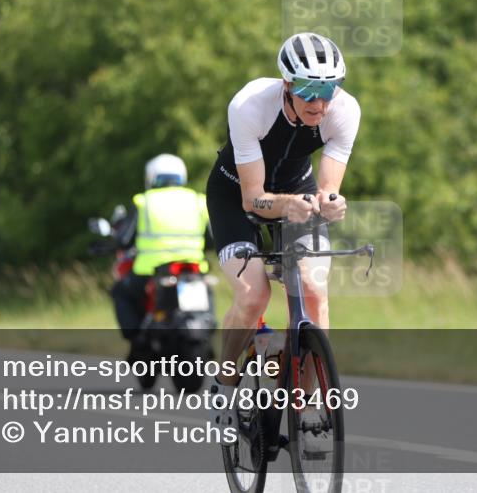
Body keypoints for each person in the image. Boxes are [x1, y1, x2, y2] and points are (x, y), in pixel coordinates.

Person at [205, 32, 361, 427]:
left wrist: (330, 203)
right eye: (309, 90)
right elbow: (252, 197)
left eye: (329, 88)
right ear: (287, 85)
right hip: (236, 195)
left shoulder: (345, 111)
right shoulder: (250, 106)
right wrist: (287, 205)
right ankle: (224, 383)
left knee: (313, 288)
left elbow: (328, 189)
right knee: (253, 293)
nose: (319, 102)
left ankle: (304, 404)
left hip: (298, 194)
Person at [110, 153, 211, 356]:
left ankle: (137, 337)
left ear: (151, 177)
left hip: (150, 269)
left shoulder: (144, 201)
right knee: (209, 291)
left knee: (121, 291)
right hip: (193, 267)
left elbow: (123, 239)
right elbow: (213, 238)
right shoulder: (199, 200)